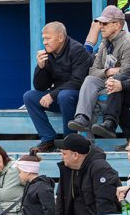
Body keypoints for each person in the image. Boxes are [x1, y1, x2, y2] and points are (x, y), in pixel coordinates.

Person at [68, 6, 130, 133]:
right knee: (90, 80)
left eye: (105, 23)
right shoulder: (104, 43)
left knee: (113, 83)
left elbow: (127, 73)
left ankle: (109, 126)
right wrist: (108, 71)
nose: (101, 26)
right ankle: (82, 117)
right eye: (100, 23)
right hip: (108, 82)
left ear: (117, 25)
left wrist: (109, 72)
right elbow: (93, 71)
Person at [24, 22, 92, 152]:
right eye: (43, 38)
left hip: (80, 99)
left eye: (48, 38)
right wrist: (40, 67)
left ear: (60, 38)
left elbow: (78, 81)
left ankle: (69, 140)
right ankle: (48, 139)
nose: (44, 42)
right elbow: (40, 86)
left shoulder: (77, 50)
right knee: (29, 96)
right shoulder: (48, 54)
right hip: (60, 97)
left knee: (64, 95)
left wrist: (52, 95)